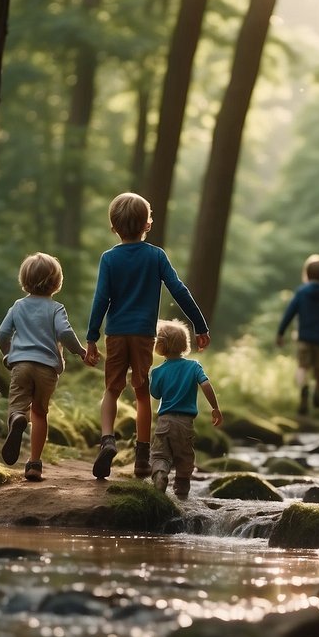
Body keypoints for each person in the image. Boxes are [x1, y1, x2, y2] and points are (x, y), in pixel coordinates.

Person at [85, 192, 211, 480]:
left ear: (113, 227)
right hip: (143, 335)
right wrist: (199, 325)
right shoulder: (156, 256)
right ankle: (143, 458)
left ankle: (107, 440)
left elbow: (100, 299)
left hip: (116, 334)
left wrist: (92, 337)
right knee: (142, 393)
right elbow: (180, 290)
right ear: (148, 224)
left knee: (112, 390)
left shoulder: (109, 259)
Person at [0, 251, 96, 482]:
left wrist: (9, 354)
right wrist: (80, 352)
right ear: (56, 282)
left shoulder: (18, 306)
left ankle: (17, 418)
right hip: (47, 369)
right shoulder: (56, 309)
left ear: (24, 281)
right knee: (40, 413)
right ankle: (34, 465)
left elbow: (2, 334)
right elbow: (64, 333)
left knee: (17, 406)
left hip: (21, 365)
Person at [148, 319, 222, 499]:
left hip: (165, 421)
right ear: (184, 343)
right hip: (185, 422)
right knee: (184, 457)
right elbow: (206, 385)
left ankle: (160, 474)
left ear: (161, 345)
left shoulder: (157, 371)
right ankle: (181, 488)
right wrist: (215, 408)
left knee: (160, 454)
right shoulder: (193, 366)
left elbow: (156, 394)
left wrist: (150, 378)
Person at [276, 253, 319, 415]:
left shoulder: (301, 293)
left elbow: (289, 313)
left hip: (304, 338)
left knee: (302, 367)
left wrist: (281, 332)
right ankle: (317, 390)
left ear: (307, 273)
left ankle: (304, 388)